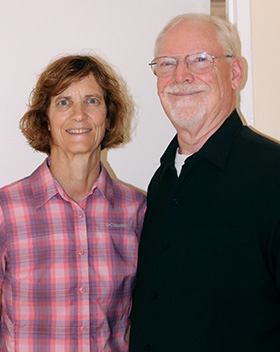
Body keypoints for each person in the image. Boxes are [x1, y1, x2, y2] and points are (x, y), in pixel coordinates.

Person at [129, 13, 280, 352]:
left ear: (235, 73)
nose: (181, 76)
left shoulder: (273, 176)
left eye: (200, 60)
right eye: (167, 64)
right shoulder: (162, 183)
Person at [0, 54, 146, 351]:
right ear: (46, 119)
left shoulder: (137, 211)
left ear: (108, 116)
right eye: (63, 102)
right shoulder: (7, 210)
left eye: (92, 101)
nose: (79, 114)